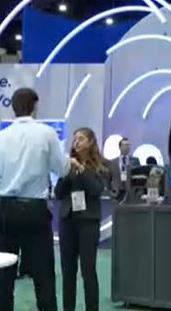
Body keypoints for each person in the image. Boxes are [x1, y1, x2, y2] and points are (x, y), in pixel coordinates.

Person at [0, 87, 75, 311]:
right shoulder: (47, 134)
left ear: (13, 108)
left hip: (6, 209)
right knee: (43, 274)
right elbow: (62, 169)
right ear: (35, 107)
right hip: (35, 210)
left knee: (3, 274)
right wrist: (70, 162)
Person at [56, 128, 109, 311]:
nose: (76, 142)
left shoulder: (101, 165)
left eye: (81, 139)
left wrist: (81, 169)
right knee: (68, 271)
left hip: (88, 221)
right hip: (67, 220)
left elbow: (95, 189)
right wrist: (67, 172)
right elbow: (58, 193)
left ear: (90, 142)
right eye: (75, 139)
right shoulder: (67, 164)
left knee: (88, 270)